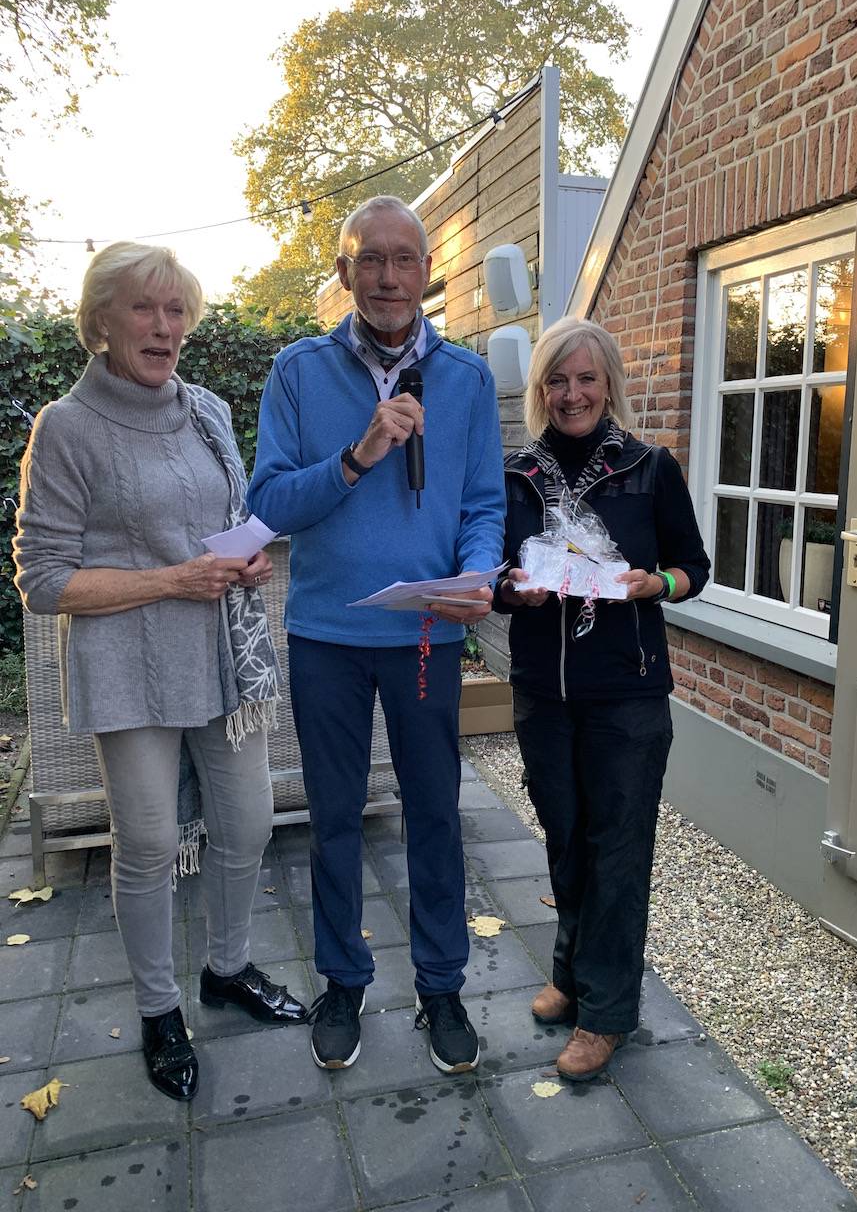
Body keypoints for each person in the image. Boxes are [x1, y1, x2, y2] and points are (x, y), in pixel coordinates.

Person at [13, 242, 307, 1103]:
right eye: (144, 307)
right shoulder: (65, 427)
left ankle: (227, 968)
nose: (164, 325)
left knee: (247, 822)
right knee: (145, 844)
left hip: (221, 657)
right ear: (100, 321)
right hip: (128, 667)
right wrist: (173, 580)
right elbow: (43, 581)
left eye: (176, 309)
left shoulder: (206, 409)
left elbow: (227, 519)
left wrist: (243, 559)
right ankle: (158, 1010)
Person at [247, 195, 505, 1076]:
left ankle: (441, 986)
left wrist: (477, 575)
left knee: (434, 812)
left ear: (428, 271)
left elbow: (483, 505)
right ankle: (343, 981)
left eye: (404, 260)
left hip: (427, 634)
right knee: (334, 819)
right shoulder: (297, 372)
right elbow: (269, 503)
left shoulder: (467, 379)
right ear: (344, 271)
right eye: (371, 260)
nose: (390, 278)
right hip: (326, 636)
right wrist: (357, 457)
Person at [493, 316, 710, 1082]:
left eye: (586, 378)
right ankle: (572, 975)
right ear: (540, 389)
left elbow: (694, 567)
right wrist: (510, 589)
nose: (572, 393)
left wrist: (656, 584)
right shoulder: (516, 474)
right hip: (543, 693)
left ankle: (608, 1014)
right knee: (565, 837)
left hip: (626, 695)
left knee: (616, 851)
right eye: (557, 379)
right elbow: (492, 571)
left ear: (608, 383)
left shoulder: (650, 467)